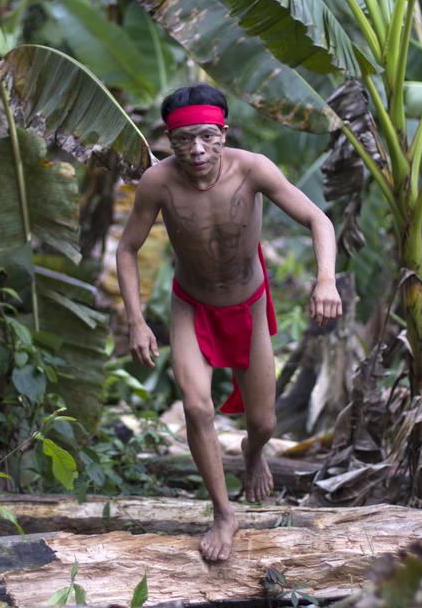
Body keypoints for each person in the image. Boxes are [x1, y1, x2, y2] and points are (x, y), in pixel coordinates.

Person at [116, 84, 342, 562]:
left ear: (221, 133)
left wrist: (326, 281)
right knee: (197, 408)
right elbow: (127, 248)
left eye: (205, 137)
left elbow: (319, 220)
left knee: (263, 421)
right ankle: (223, 513)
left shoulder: (254, 169)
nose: (195, 151)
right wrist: (136, 320)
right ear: (169, 141)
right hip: (191, 304)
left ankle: (254, 452)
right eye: (182, 141)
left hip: (249, 304)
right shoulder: (158, 182)